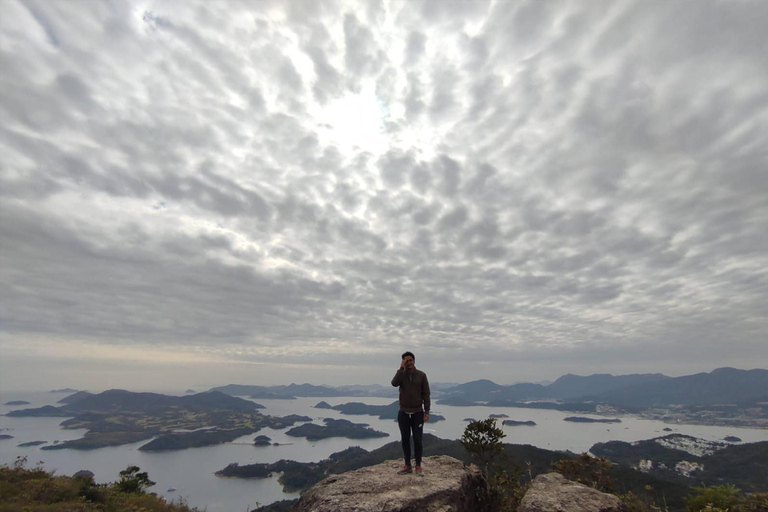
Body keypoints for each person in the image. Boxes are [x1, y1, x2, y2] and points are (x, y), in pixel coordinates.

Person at [391, 351, 430, 476]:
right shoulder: (401, 375)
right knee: (405, 439)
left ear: (414, 361)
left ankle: (418, 466)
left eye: (410, 360)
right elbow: (394, 383)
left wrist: (427, 411)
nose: (409, 363)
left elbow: (426, 394)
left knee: (418, 440)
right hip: (403, 412)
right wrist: (400, 368)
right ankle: (407, 465)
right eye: (406, 361)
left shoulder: (421, 375)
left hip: (418, 413)